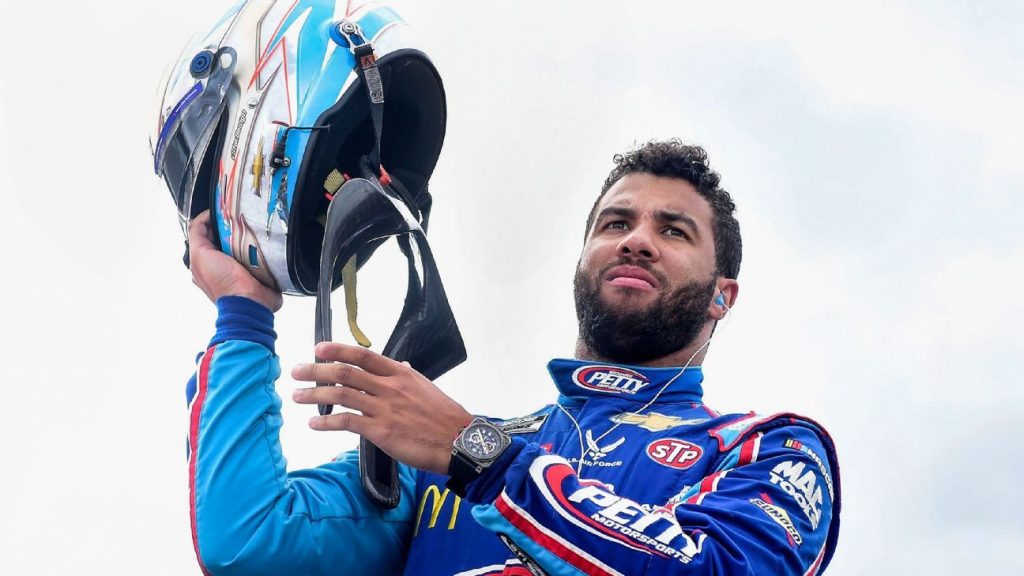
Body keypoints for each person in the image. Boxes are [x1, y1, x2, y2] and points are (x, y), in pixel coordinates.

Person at [185, 139, 841, 575]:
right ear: (582, 261)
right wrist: (244, 315)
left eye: (673, 230)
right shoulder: (429, 463)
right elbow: (246, 539)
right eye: (616, 224)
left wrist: (478, 455)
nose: (637, 241)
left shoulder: (767, 449)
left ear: (722, 295)